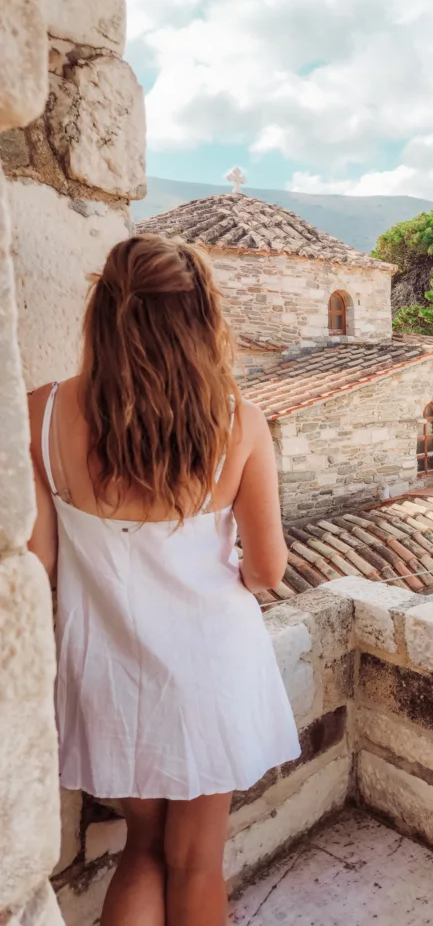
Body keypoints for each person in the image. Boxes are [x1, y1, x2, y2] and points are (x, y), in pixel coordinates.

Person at [27, 235, 300, 926]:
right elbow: (269, 569)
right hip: (209, 671)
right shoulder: (237, 422)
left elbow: (39, 569)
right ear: (201, 320)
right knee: (196, 861)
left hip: (108, 674)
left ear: (102, 312)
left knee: (141, 848)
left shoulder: (42, 415)